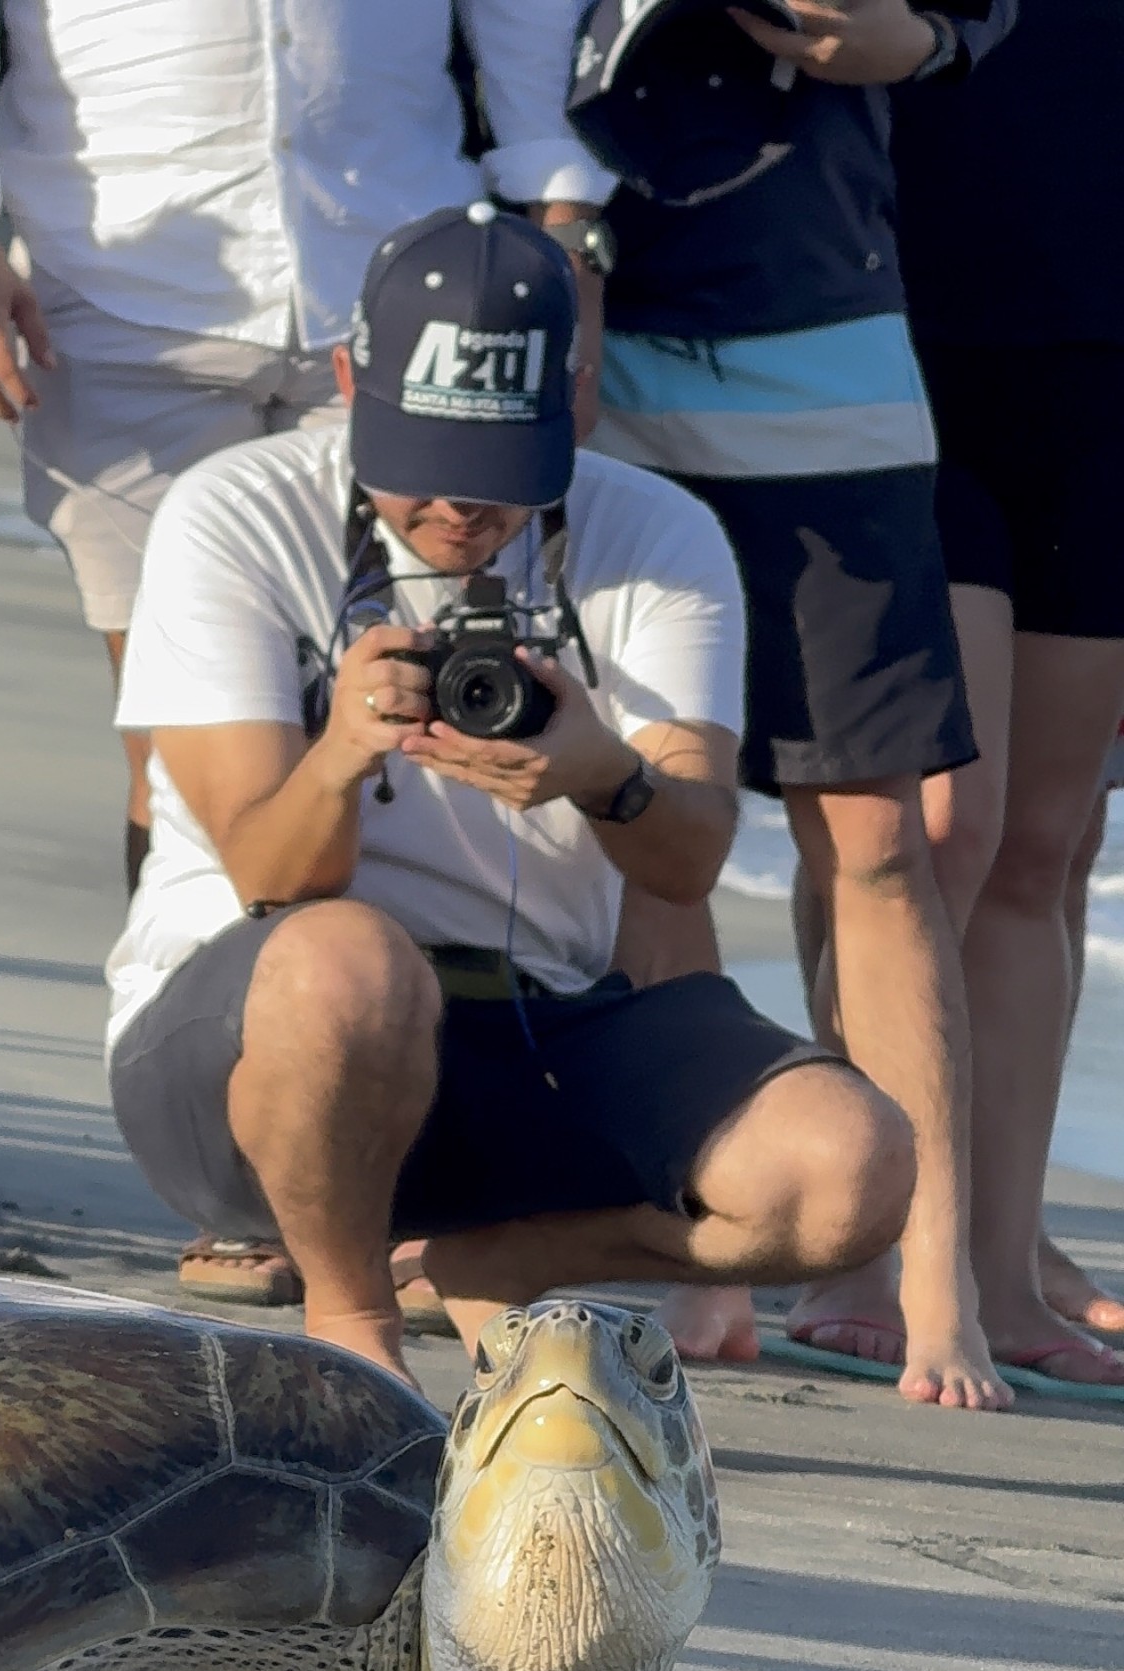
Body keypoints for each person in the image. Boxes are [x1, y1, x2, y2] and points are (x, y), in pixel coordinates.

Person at [0, 0, 609, 1307]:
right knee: (190, 764)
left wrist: (559, 216)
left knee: (433, 735)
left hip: (396, 276)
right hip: (119, 286)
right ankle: (244, 1166)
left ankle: (392, 1154)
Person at [104, 205, 911, 1376]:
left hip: (532, 1020)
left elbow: (687, 863)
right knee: (350, 962)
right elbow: (270, 874)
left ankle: (509, 1255)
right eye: (423, 472)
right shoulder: (235, 514)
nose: (457, 516)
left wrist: (606, 778)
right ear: (348, 379)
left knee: (853, 1167)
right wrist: (338, 753)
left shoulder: (659, 535)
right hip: (248, 1050)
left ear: (571, 405)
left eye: (494, 480)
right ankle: (353, 1335)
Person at [576, 0, 1019, 1411]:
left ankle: (932, 1275)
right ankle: (716, 1245)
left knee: (881, 841)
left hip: (828, 324)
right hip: (605, 316)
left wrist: (930, 34)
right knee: (655, 808)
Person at [881, 0, 1124, 1382]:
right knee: (911, 824)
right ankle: (865, 1234)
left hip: (1101, 367)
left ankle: (1003, 1259)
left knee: (1046, 843)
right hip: (901, 335)